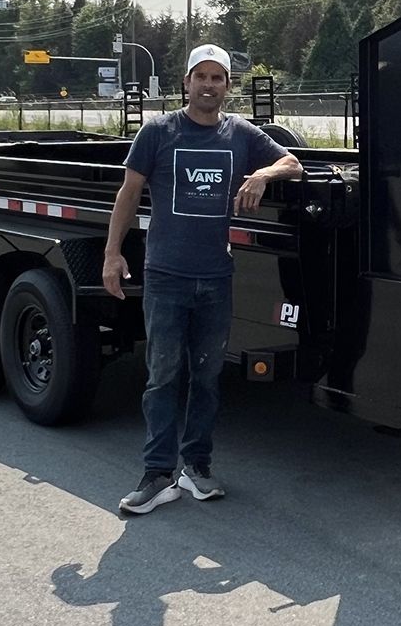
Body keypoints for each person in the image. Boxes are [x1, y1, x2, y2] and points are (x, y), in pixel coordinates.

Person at [102, 44, 303, 515]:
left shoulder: (241, 134)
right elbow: (129, 193)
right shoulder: (158, 132)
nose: (208, 85)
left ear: (227, 86)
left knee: (208, 377)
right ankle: (157, 475)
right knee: (162, 376)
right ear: (186, 83)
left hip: (216, 276)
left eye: (218, 78)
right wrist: (113, 254)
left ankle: (197, 468)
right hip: (167, 275)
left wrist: (261, 175)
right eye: (201, 77)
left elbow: (292, 162)